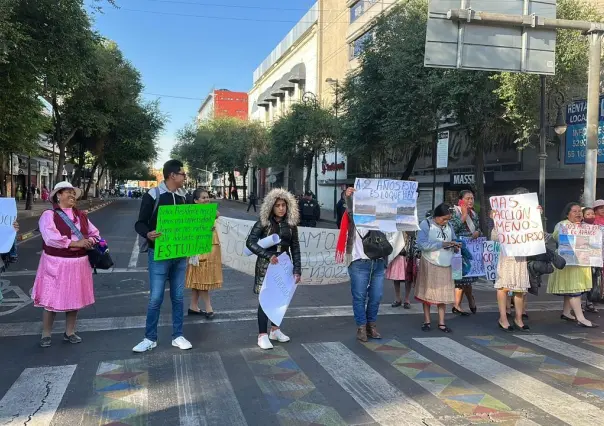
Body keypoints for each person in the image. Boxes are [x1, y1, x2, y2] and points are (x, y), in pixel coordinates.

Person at [31, 181, 100, 347]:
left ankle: (70, 332)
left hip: (78, 264)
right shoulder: (49, 215)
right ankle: (46, 333)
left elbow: (95, 233)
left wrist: (90, 240)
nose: (72, 195)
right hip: (56, 263)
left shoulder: (81, 215)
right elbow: (51, 238)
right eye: (67, 192)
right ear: (58, 195)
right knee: (51, 300)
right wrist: (77, 243)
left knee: (74, 299)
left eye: (73, 192)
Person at [133, 159, 192, 353]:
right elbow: (140, 223)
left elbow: (191, 222)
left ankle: (178, 335)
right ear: (172, 175)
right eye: (182, 174)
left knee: (178, 296)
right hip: (158, 254)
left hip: (180, 254)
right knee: (156, 298)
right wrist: (148, 233)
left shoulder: (184, 197)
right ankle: (150, 338)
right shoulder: (153, 195)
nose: (185, 177)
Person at [335, 187, 405, 342]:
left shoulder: (382, 216)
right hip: (359, 262)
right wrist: (347, 196)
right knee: (359, 296)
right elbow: (348, 207)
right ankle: (362, 326)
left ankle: (371, 325)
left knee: (376, 296)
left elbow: (399, 221)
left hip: (378, 262)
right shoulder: (354, 215)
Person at [245, 188, 301, 350]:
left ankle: (275, 330)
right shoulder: (263, 223)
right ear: (271, 207)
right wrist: (268, 255)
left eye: (284, 205)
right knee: (265, 300)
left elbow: (295, 248)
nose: (281, 208)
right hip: (266, 265)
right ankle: (262, 335)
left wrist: (297, 269)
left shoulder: (291, 225)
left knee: (281, 299)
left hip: (284, 266)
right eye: (277, 205)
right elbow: (250, 243)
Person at [548, 202, 598, 328]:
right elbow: (557, 237)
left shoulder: (586, 226)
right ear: (567, 213)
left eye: (579, 211)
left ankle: (566, 312)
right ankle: (581, 318)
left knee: (572, 289)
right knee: (574, 290)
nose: (578, 213)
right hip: (569, 264)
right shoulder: (563, 225)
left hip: (581, 262)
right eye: (574, 211)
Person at [415, 203, 460, 333]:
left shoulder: (449, 225)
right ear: (436, 216)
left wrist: (455, 245)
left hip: (446, 263)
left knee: (443, 294)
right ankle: (427, 321)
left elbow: (455, 238)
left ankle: (442, 322)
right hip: (430, 262)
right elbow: (422, 244)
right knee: (427, 292)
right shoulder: (426, 224)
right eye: (443, 219)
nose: (445, 221)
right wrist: (442, 244)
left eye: (448, 219)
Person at [186, 189, 222, 319]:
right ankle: (208, 307)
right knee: (202, 277)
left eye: (207, 197)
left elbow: (218, 214)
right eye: (203, 198)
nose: (207, 199)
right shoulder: (192, 214)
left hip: (211, 247)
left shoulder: (210, 211)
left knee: (198, 277)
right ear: (195, 201)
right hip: (199, 248)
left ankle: (193, 306)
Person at [450, 190, 480, 315]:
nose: (470, 201)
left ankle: (468, 299)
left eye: (472, 198)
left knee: (467, 278)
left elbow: (478, 228)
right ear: (461, 200)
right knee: (459, 278)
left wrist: (478, 233)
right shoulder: (454, 212)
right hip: (457, 248)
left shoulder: (474, 214)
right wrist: (463, 215)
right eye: (467, 198)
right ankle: (457, 305)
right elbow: (452, 229)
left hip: (471, 248)